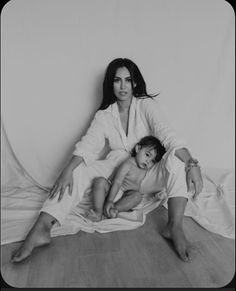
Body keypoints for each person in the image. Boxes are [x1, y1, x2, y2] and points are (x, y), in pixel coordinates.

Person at [11, 58, 203, 263]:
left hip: (149, 174)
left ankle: (174, 227)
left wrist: (192, 164)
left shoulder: (146, 105)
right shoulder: (104, 115)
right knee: (77, 170)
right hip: (117, 169)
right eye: (117, 80)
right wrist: (68, 170)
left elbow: (169, 136)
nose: (122, 86)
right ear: (110, 84)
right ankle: (42, 227)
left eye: (128, 80)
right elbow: (88, 146)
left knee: (177, 159)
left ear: (135, 83)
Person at [85, 135, 166, 222]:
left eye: (153, 161)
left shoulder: (146, 170)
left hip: (125, 197)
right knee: (99, 181)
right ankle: (98, 211)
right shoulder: (128, 164)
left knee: (137, 196)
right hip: (111, 192)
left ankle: (113, 210)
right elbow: (117, 182)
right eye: (147, 155)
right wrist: (110, 200)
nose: (148, 161)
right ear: (138, 149)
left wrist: (155, 196)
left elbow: (147, 187)